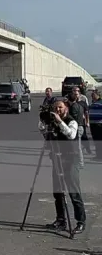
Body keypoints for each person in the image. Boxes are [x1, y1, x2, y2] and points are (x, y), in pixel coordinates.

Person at [45, 100, 86, 234]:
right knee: (58, 192)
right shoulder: (52, 122)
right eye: (56, 108)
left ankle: (81, 222)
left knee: (73, 192)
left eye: (60, 107)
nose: (58, 110)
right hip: (57, 159)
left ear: (66, 108)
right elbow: (44, 134)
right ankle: (61, 220)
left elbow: (71, 135)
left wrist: (60, 121)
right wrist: (44, 120)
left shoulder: (71, 121)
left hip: (70, 160)